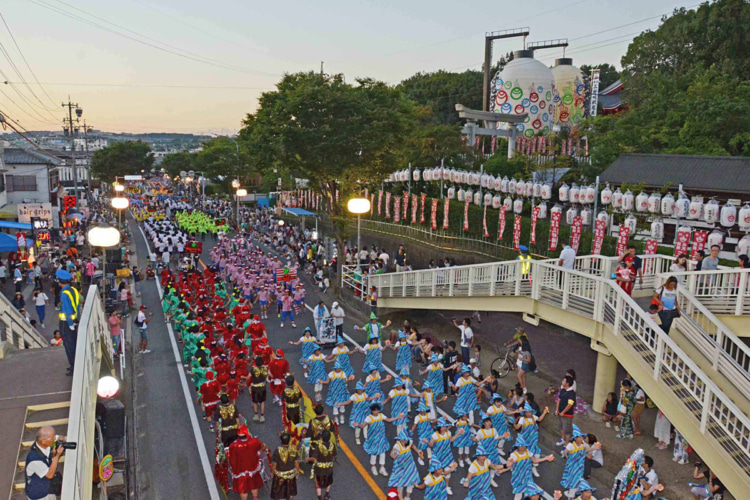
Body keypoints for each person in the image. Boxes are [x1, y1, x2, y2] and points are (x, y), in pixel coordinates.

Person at [25, 426, 65, 500]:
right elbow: (50, 475)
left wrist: (61, 439)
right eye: (52, 438)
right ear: (43, 441)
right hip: (39, 495)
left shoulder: (41, 444)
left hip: (48, 488)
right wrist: (56, 456)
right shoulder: (34, 460)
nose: (54, 440)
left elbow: (59, 437)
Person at [227, 425, 266, 500]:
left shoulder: (233, 446)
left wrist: (235, 470)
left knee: (243, 490)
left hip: (241, 472)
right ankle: (255, 498)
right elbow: (261, 447)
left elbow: (231, 459)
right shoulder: (254, 441)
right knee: (254, 485)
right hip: (253, 470)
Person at [57, 270, 81, 376]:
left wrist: (70, 323)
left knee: (69, 346)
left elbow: (66, 310)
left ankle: (74, 366)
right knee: (73, 343)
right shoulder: (73, 290)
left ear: (60, 282)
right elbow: (77, 305)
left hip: (66, 323)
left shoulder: (64, 294)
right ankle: (74, 365)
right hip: (74, 320)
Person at [269, 432, 300, 500]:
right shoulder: (293, 449)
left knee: (280, 493)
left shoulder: (277, 451)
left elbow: (274, 464)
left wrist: (272, 473)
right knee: (291, 492)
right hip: (291, 474)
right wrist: (297, 471)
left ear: (281, 441)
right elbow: (296, 462)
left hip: (280, 476)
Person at [308, 429, 337, 500]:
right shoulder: (332, 445)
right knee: (329, 480)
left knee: (317, 483)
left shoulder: (319, 446)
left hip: (319, 469)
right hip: (329, 468)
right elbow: (335, 456)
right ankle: (327, 494)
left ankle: (320, 498)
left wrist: (308, 459)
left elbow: (314, 458)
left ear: (322, 438)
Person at [555, 376, 576, 446]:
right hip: (560, 414)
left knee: (567, 430)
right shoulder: (563, 390)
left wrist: (563, 412)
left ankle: (567, 444)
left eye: (564, 381)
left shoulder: (571, 393)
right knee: (561, 427)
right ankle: (563, 439)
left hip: (567, 415)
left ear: (567, 383)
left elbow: (570, 404)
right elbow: (559, 400)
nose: (562, 382)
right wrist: (557, 410)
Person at [250, 356, 269, 422]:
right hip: (263, 387)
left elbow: (248, 377)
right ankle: (262, 416)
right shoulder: (265, 368)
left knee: (255, 402)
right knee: (262, 402)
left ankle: (256, 415)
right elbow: (270, 375)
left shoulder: (253, 369)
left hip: (255, 387)